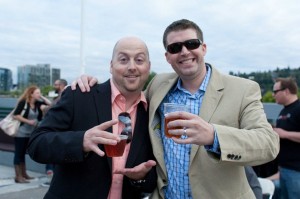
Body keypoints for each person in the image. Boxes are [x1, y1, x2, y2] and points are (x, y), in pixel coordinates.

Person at [74, 19, 279, 199]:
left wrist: (213, 136)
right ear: (167, 56)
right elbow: (127, 100)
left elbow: (269, 144)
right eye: (175, 48)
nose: (184, 52)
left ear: (203, 48)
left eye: (192, 44)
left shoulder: (242, 89)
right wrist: (91, 84)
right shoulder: (158, 85)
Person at [27, 37, 157, 199]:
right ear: (111, 66)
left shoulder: (152, 113)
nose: (132, 67)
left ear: (148, 67)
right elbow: (36, 144)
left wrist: (141, 178)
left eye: (139, 60)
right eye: (123, 60)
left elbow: (153, 175)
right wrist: (81, 141)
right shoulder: (80, 95)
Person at [12, 85, 51, 183]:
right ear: (31, 94)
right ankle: (18, 176)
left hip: (30, 133)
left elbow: (50, 105)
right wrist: (28, 121)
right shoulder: (23, 103)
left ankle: (24, 174)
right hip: (21, 132)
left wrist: (41, 97)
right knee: (18, 154)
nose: (39, 94)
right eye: (37, 93)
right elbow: (15, 115)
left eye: (39, 93)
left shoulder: (37, 104)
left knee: (23, 154)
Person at [272, 77, 300, 199]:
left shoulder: (298, 109)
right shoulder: (283, 111)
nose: (273, 95)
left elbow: (283, 133)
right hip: (284, 169)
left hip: (296, 171)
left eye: (275, 91)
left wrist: (285, 134)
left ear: (286, 91)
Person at [41, 78, 68, 187]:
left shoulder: (64, 95)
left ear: (61, 85)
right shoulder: (61, 95)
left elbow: (55, 109)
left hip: (57, 131)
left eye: (56, 84)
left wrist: (44, 108)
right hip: (59, 132)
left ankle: (52, 180)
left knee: (51, 156)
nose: (54, 86)